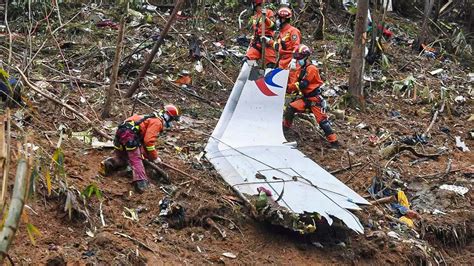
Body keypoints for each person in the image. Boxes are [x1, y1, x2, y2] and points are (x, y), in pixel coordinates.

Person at [99, 105, 181, 192]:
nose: (171, 123)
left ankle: (109, 164)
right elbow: (148, 142)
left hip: (121, 132)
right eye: (172, 119)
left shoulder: (149, 117)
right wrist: (155, 157)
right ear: (167, 116)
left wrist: (148, 156)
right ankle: (141, 184)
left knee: (123, 157)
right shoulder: (157, 122)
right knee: (136, 159)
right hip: (129, 135)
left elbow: (144, 145)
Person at [283, 45, 339, 147]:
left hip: (315, 100)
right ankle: (285, 128)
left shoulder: (312, 69)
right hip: (305, 99)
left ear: (305, 57)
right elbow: (294, 83)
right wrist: (286, 86)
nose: (297, 60)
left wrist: (292, 87)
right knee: (290, 108)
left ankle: (334, 142)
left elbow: (303, 84)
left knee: (323, 122)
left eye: (299, 58)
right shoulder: (300, 68)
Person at [244, 0, 277, 68]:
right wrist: (251, 44)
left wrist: (265, 18)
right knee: (247, 60)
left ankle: (266, 76)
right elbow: (255, 32)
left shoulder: (268, 12)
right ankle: (254, 75)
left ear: (255, 4)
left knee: (271, 65)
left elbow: (273, 26)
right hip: (257, 43)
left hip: (267, 42)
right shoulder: (255, 17)